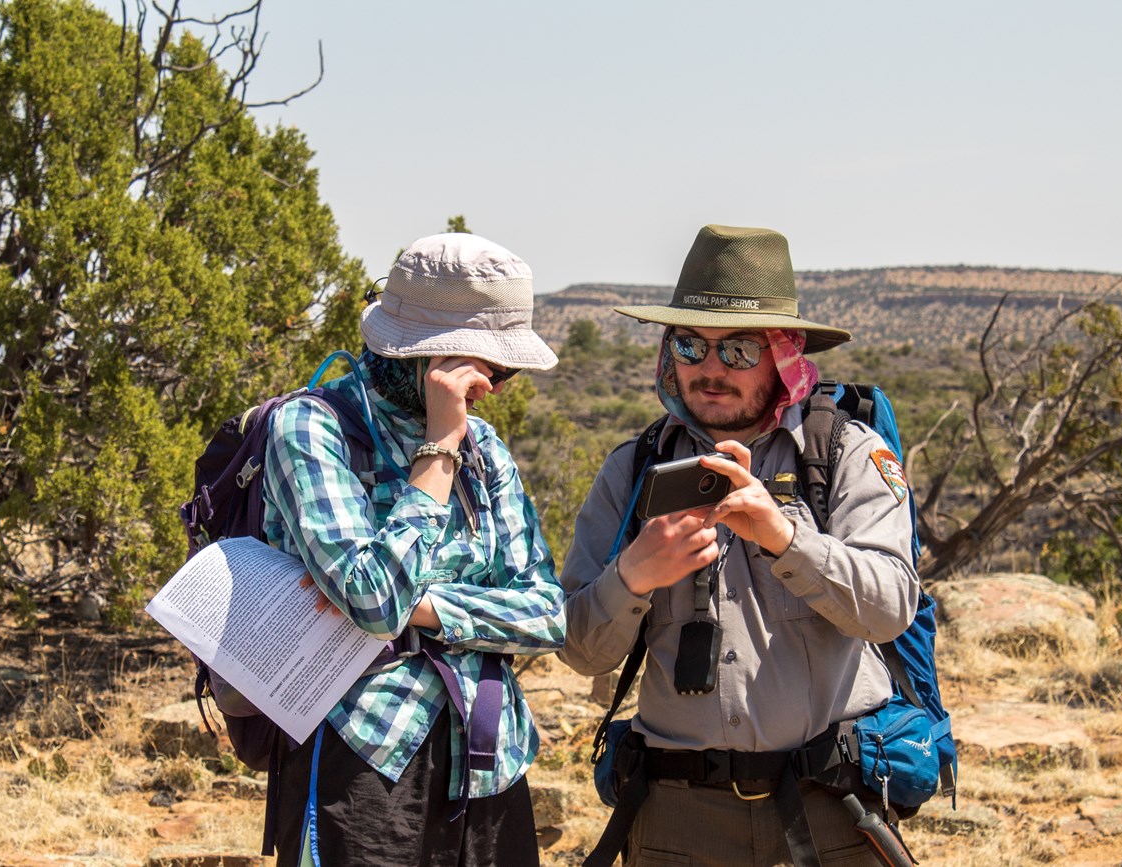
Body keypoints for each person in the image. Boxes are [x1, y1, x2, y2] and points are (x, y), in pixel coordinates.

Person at [560, 224, 920, 866]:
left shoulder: (844, 455)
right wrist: (634, 575)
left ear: (782, 356)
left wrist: (785, 538)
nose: (709, 369)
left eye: (738, 351)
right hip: (677, 817)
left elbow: (891, 606)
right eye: (692, 345)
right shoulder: (633, 469)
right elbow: (581, 651)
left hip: (827, 806)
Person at [262, 232, 566, 867]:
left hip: (489, 755)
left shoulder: (486, 448)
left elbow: (546, 613)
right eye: (489, 367)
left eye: (504, 370)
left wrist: (425, 611)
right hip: (362, 752)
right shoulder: (311, 428)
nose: (497, 387)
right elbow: (375, 602)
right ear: (426, 357)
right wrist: (439, 450)